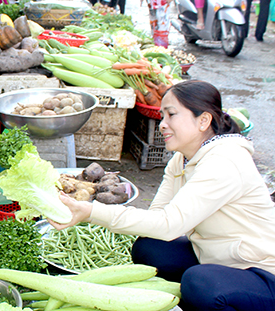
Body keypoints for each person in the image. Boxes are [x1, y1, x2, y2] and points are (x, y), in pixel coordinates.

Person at [49, 80, 275, 310]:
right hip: (214, 259)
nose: (162, 125)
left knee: (200, 284)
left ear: (203, 120)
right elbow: (157, 218)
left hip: (260, 272)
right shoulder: (181, 159)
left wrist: (91, 211)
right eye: (162, 116)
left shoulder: (225, 161)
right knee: (150, 248)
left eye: (171, 115)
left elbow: (169, 225)